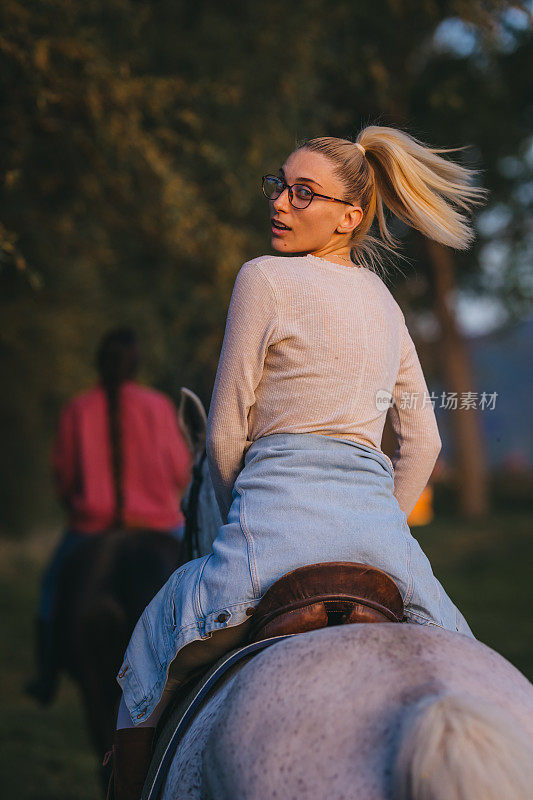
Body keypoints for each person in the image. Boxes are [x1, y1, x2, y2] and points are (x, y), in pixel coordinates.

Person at [109, 127, 487, 799]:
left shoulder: (262, 278)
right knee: (469, 668)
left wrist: (237, 519)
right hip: (379, 540)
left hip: (272, 526)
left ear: (349, 215)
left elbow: (225, 431)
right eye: (279, 184)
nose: (280, 203)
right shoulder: (384, 301)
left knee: (145, 651)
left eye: (302, 192)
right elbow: (422, 442)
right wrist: (379, 523)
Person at [26, 328, 193, 705]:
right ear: (136, 365)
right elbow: (180, 471)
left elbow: (64, 477)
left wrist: (83, 506)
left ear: (99, 363)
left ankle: (46, 675)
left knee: (52, 587)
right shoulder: (158, 407)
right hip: (158, 523)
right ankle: (208, 663)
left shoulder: (77, 410)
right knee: (201, 575)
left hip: (92, 529)